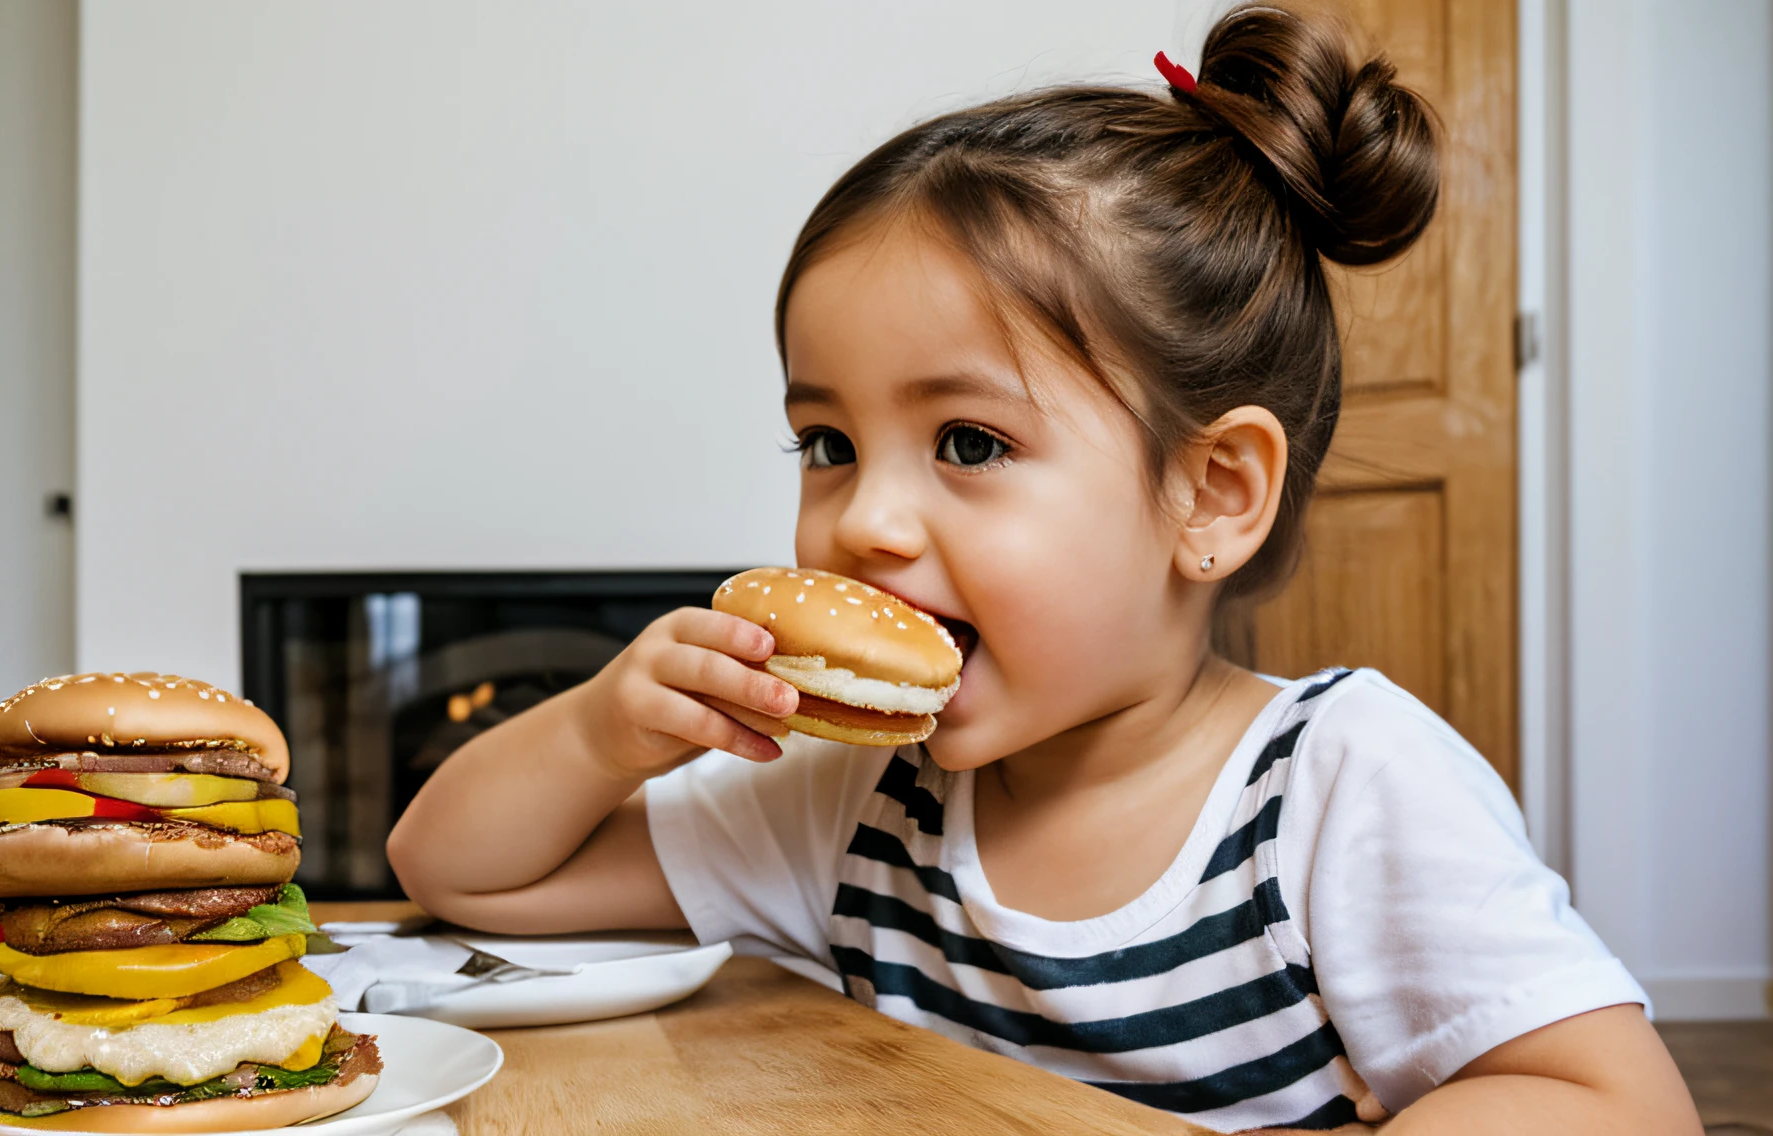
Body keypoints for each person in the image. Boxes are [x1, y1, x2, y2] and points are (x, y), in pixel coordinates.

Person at [388, 6, 1700, 1132]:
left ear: (1212, 496)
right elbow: (460, 873)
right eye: (828, 444)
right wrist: (607, 729)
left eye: (970, 442)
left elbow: (1617, 1103)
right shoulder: (853, 808)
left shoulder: (1339, 788)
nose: (866, 524)